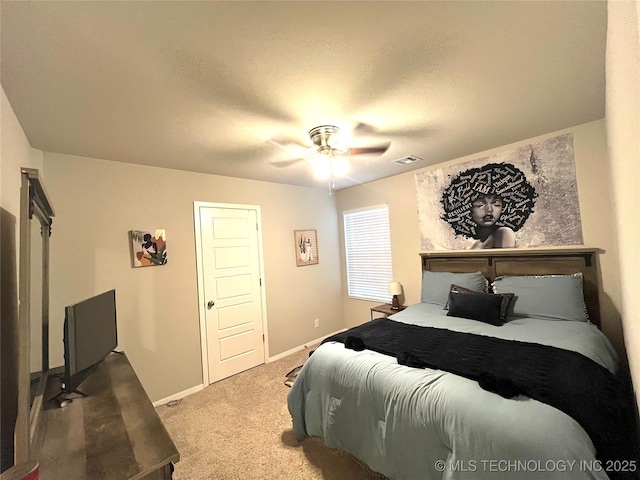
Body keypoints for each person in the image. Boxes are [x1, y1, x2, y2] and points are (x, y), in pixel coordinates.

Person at [440, 162, 537, 249]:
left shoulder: (504, 233)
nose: (489, 209)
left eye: (496, 203)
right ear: (468, 208)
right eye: (480, 204)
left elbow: (502, 266)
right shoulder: (478, 244)